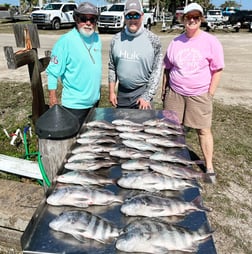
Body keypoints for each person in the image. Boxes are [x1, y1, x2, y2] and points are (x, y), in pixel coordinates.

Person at [162, 3, 224, 177]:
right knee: (172, 128)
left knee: (203, 130)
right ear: (183, 19)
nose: (192, 20)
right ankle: (171, 160)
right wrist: (164, 89)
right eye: (188, 17)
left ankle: (209, 166)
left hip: (199, 94)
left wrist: (210, 93)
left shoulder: (211, 41)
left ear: (201, 19)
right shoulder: (176, 42)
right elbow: (167, 67)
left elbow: (217, 69)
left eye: (196, 17)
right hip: (175, 93)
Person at [46, 2, 102, 125]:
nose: (88, 23)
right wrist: (52, 97)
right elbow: (52, 72)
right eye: (83, 19)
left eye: (92, 19)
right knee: (76, 142)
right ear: (76, 19)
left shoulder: (97, 39)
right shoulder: (65, 42)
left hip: (94, 103)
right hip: (74, 107)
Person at [108, 0, 162, 109]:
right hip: (122, 93)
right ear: (124, 17)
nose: (132, 19)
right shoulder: (116, 39)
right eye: (129, 16)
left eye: (136, 15)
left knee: (142, 125)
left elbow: (157, 70)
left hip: (142, 93)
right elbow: (112, 67)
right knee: (121, 124)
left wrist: (147, 96)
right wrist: (111, 92)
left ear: (142, 16)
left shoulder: (153, 40)